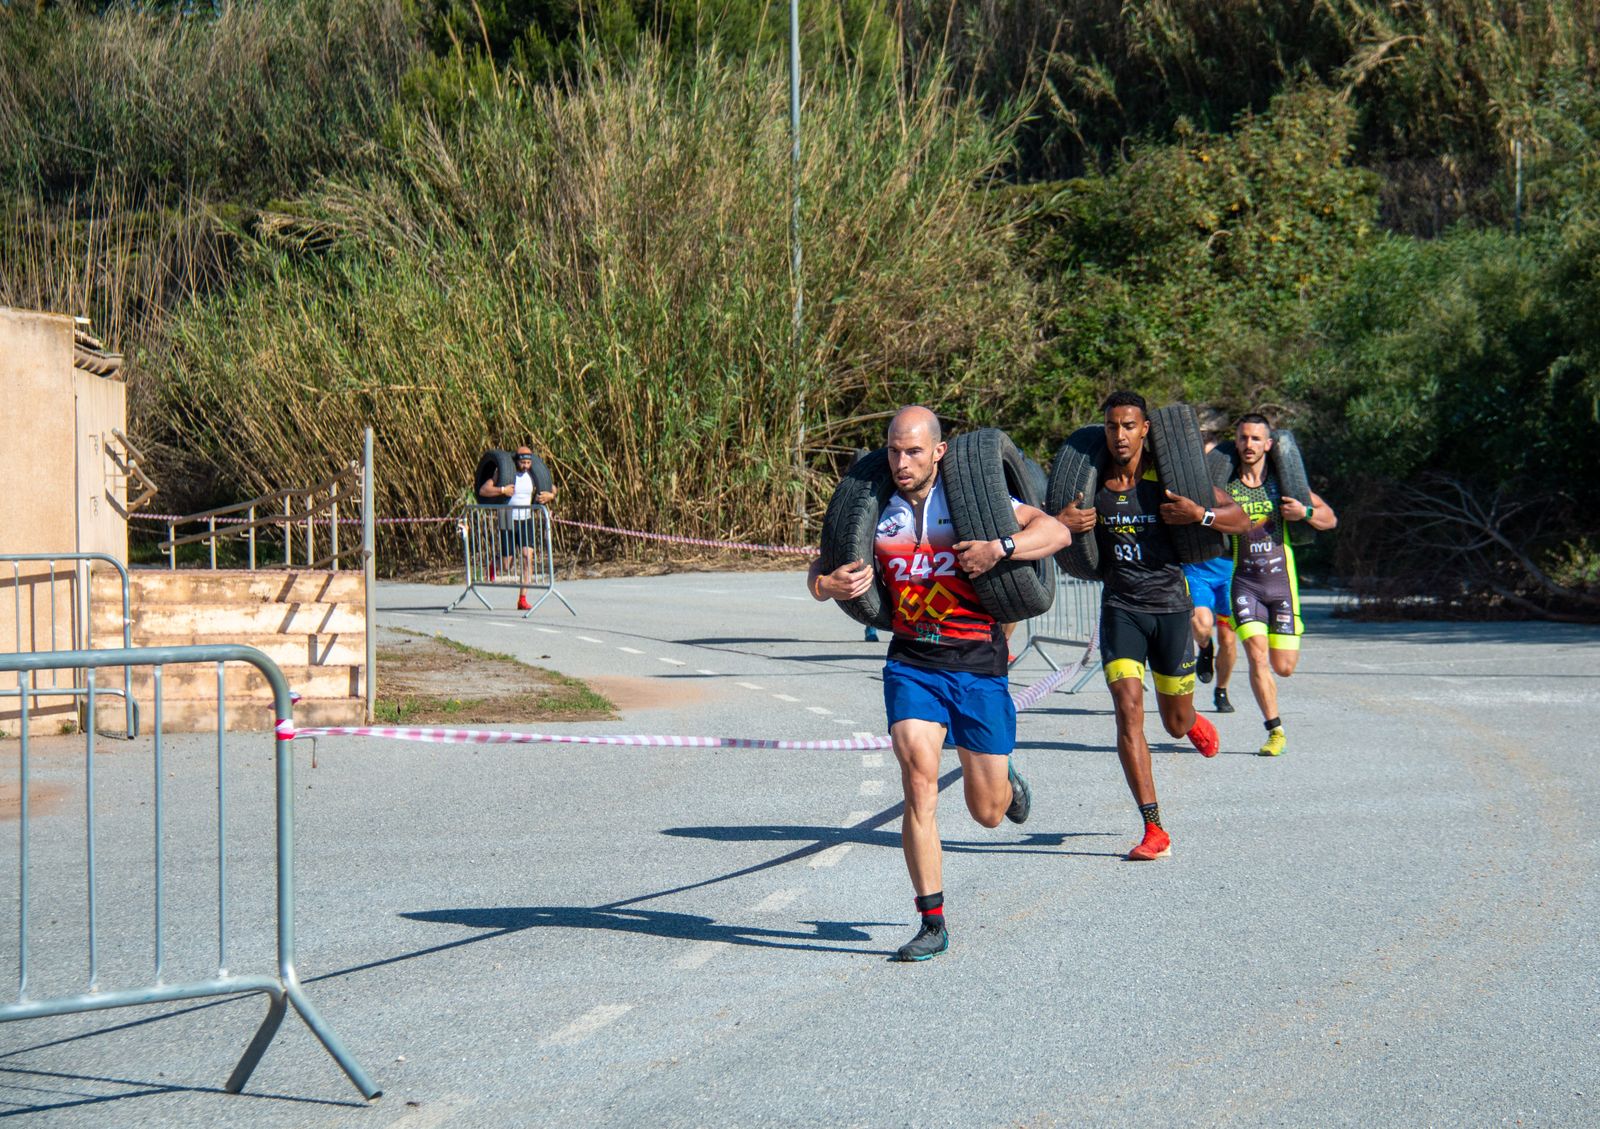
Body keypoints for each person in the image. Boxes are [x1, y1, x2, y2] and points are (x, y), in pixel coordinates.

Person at [808, 406, 1071, 961]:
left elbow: (1057, 531)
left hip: (978, 664)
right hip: (913, 662)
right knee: (918, 781)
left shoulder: (973, 503)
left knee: (987, 812)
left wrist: (1001, 547)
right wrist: (826, 585)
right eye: (893, 451)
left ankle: (1005, 780)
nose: (900, 463)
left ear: (939, 452)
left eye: (913, 452)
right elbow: (820, 570)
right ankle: (932, 921)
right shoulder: (878, 509)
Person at [1057, 392, 1249, 861]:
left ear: (1145, 429)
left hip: (1171, 610)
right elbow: (1048, 531)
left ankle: (1193, 720)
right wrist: (1063, 522)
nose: (1119, 435)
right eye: (1111, 426)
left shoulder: (1167, 481)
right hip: (1122, 609)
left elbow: (1240, 518)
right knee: (1127, 711)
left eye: (1128, 426)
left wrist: (1198, 514)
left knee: (1176, 723)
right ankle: (1153, 827)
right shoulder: (1092, 486)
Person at [1221, 414, 1338, 756]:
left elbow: (1329, 519)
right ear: (1236, 441)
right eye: (1243, 438)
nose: (1249, 445)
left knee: (1283, 667)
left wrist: (1303, 513)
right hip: (1244, 584)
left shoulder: (1282, 485)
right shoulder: (1227, 487)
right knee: (1256, 658)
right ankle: (1275, 731)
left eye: (1257, 439)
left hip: (1282, 586)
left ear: (1269, 444)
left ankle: (1275, 715)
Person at [1182, 431, 1239, 713]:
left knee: (1229, 639)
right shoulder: (1181, 483)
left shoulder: (1231, 488)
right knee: (1201, 625)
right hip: (1196, 569)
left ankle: (1222, 690)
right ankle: (1204, 647)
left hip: (1229, 570)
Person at [478, 444, 557, 611]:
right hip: (507, 517)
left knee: (527, 556)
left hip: (525, 518)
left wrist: (551, 495)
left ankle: (522, 599)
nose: (526, 466)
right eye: (523, 463)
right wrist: (502, 490)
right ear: (517, 461)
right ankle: (497, 563)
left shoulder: (533, 475)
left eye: (529, 463)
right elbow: (484, 490)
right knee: (508, 565)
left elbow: (552, 487)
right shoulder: (504, 473)